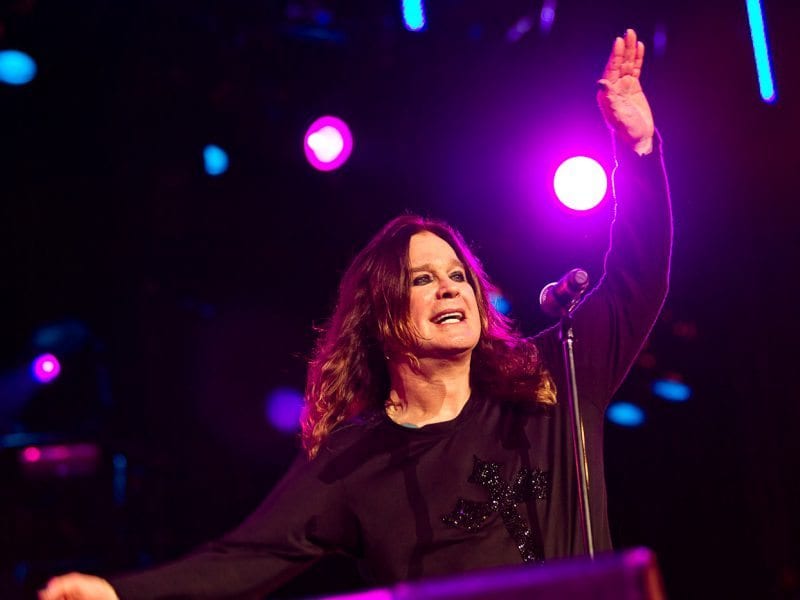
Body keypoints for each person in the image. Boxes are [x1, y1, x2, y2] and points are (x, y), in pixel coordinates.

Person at [39, 28, 671, 600]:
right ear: (382, 316)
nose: (450, 289)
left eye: (459, 277)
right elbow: (249, 558)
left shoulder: (552, 378)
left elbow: (635, 280)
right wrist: (118, 594)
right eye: (424, 279)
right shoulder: (354, 459)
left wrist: (638, 148)